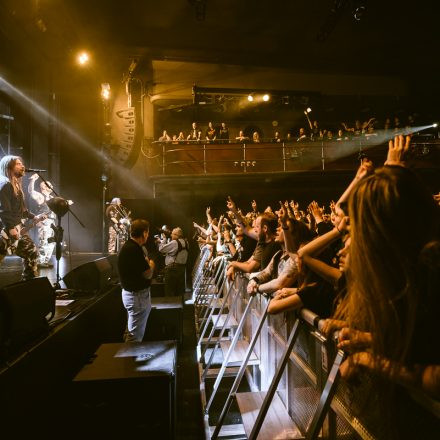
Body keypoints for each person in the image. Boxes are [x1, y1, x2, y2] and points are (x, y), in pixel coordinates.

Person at [0, 155, 42, 280]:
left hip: (15, 226)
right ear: (9, 167)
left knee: (32, 252)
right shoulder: (4, 184)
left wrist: (33, 216)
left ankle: (28, 283)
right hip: (6, 228)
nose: (22, 166)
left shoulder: (15, 185)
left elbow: (19, 210)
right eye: (18, 164)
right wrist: (11, 227)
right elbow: (3, 209)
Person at [118, 219, 155, 342]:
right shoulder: (133, 249)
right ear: (144, 233)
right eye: (148, 233)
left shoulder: (131, 247)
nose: (148, 236)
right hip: (137, 298)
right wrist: (152, 263)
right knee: (134, 337)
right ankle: (129, 359)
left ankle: (128, 358)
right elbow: (148, 274)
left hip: (135, 297)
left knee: (131, 332)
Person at [27, 173, 56, 268]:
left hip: (52, 222)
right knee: (44, 241)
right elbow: (31, 191)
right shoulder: (40, 196)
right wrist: (33, 180)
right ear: (43, 187)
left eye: (51, 185)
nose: (51, 186)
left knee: (52, 241)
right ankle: (41, 261)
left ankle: (46, 260)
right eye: (48, 185)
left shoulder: (52, 198)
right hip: (44, 221)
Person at [158, 227, 189, 299]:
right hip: (182, 268)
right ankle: (179, 307)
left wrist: (164, 240)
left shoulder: (175, 243)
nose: (171, 235)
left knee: (169, 290)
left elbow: (161, 249)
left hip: (172, 269)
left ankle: (170, 308)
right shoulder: (186, 242)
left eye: (172, 234)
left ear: (176, 235)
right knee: (179, 290)